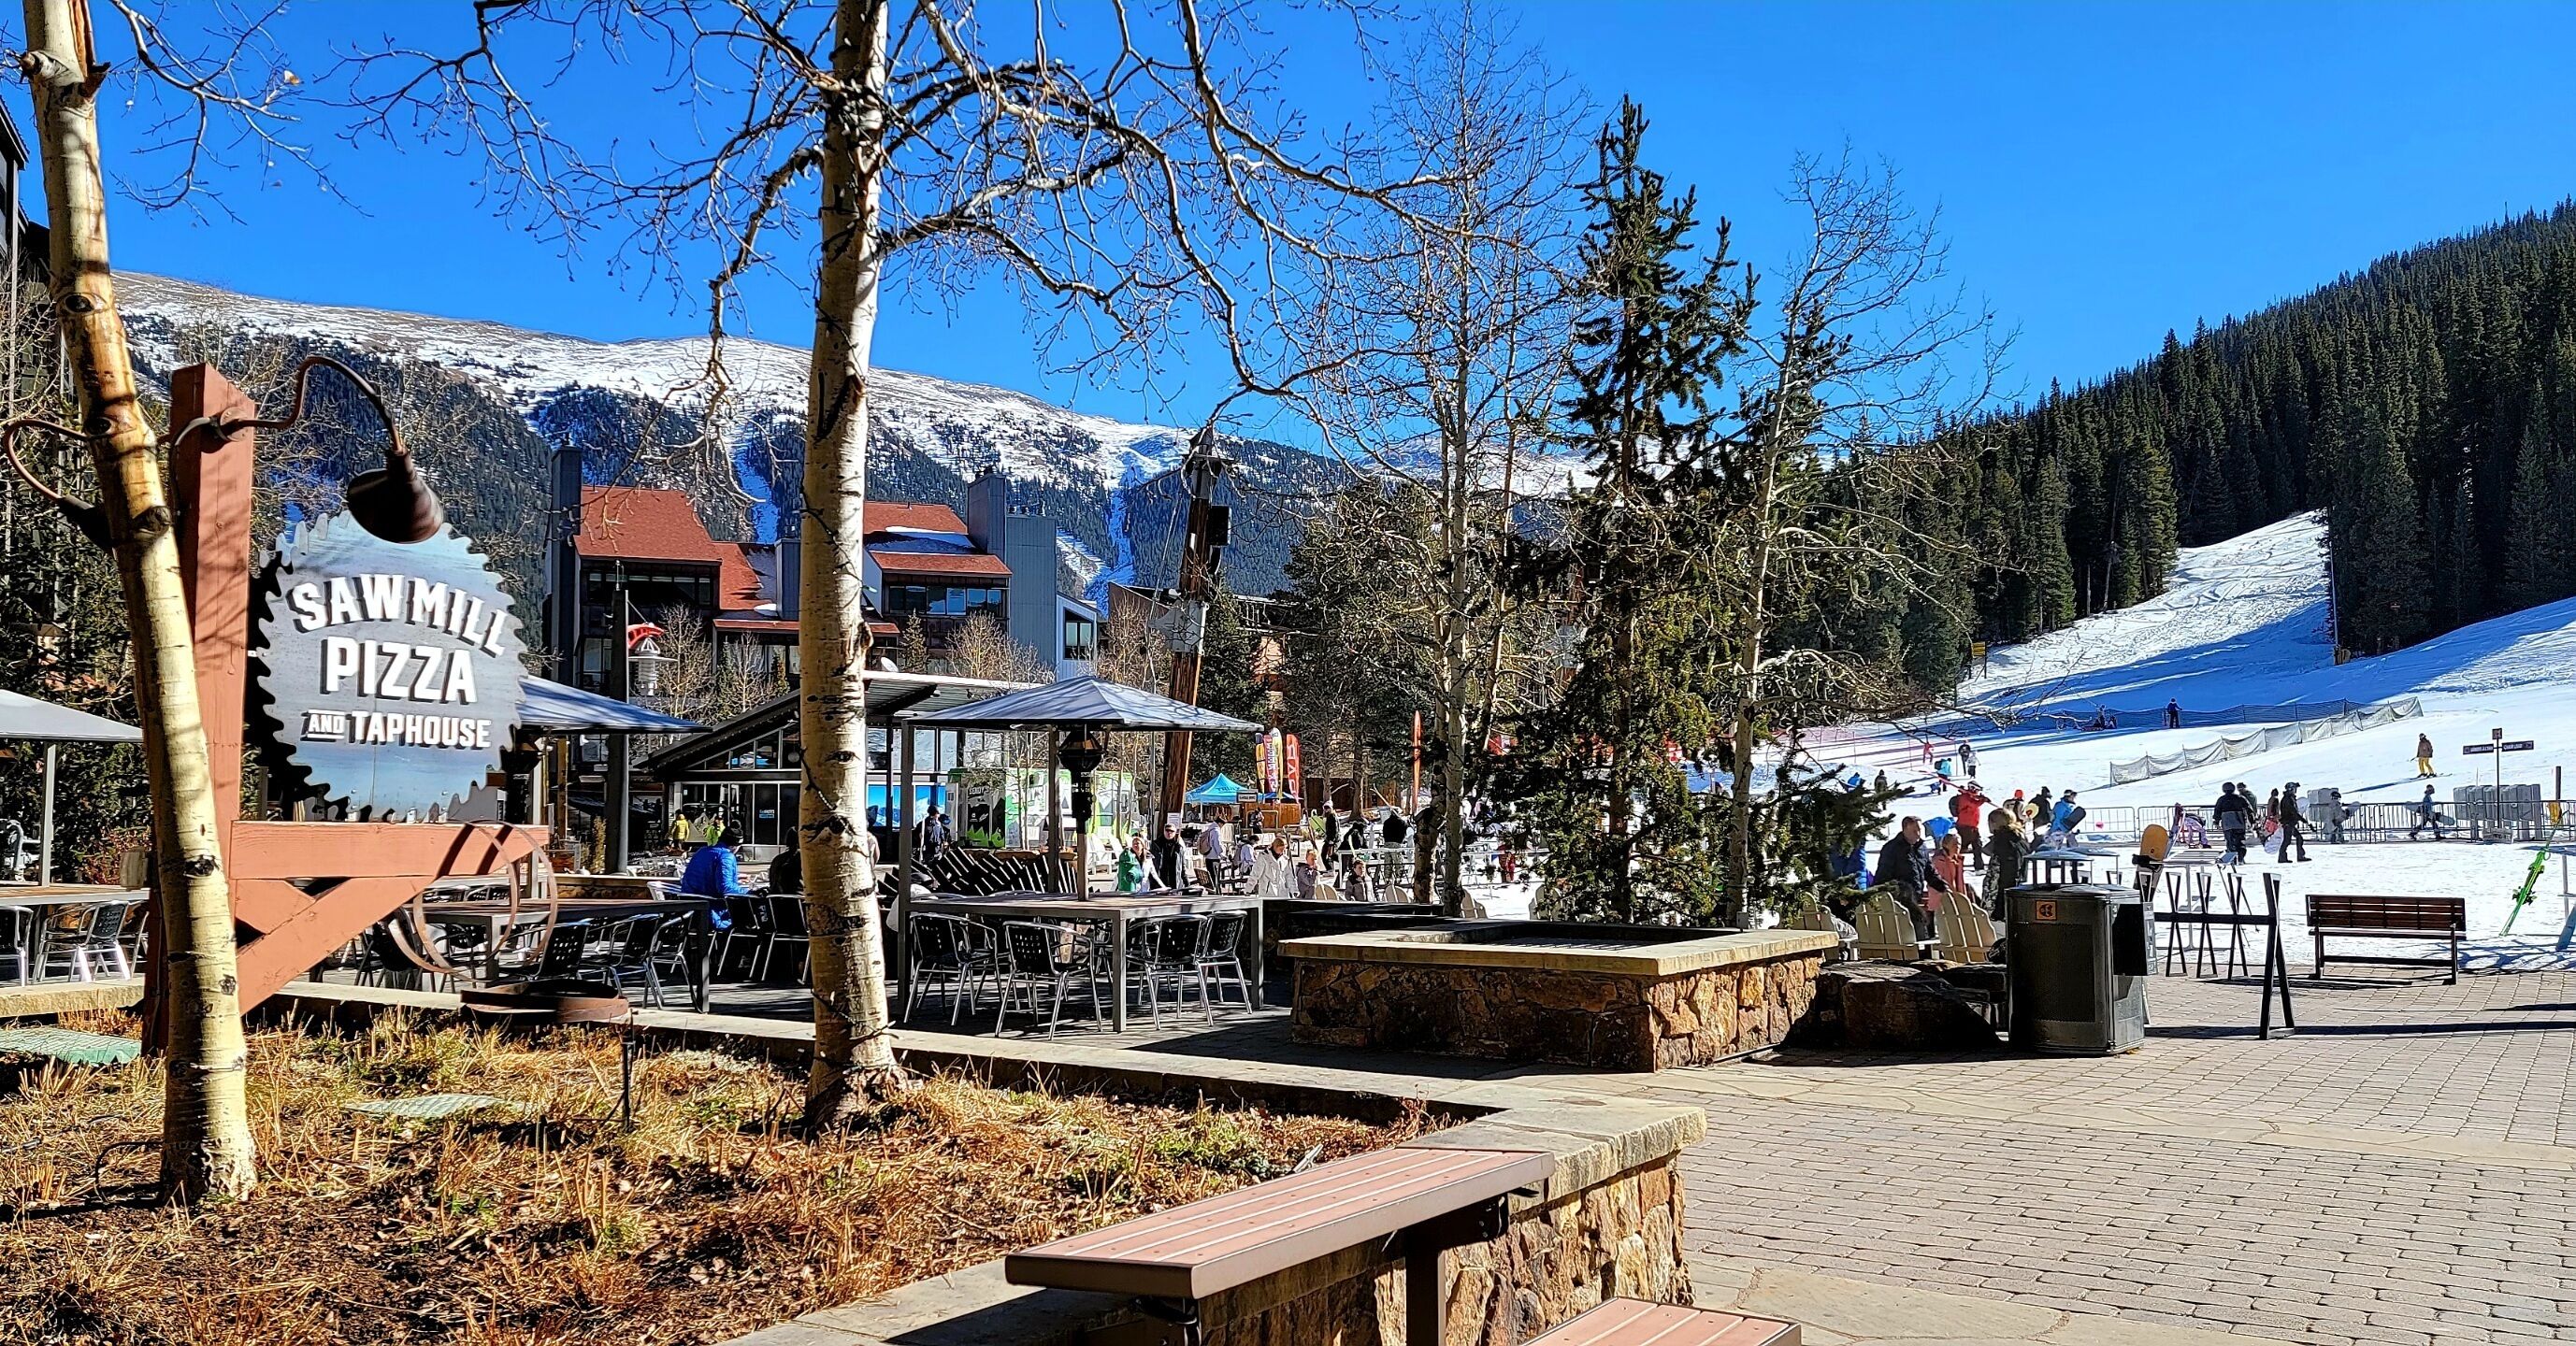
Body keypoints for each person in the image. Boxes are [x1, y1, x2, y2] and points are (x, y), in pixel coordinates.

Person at [1874, 817, 1950, 940]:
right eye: (1915, 831)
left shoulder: (1922, 847)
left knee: (1922, 929)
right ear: (1905, 829)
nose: (1918, 834)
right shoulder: (1892, 849)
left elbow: (1929, 872)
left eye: (1920, 830)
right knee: (1916, 928)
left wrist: (1942, 886)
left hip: (1917, 897)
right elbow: (1883, 876)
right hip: (1899, 900)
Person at [679, 825, 750, 902]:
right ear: (735, 846)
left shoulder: (701, 851)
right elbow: (725, 888)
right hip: (711, 904)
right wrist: (749, 891)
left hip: (691, 901)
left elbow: (704, 877)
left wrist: (734, 878)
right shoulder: (726, 856)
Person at [1983, 804, 2027, 917]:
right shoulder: (2020, 839)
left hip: (2000, 893)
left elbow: (1998, 871)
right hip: (2018, 889)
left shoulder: (2002, 841)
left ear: (1994, 823)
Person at [1950, 782, 1988, 866]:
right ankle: (1953, 864)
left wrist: (1981, 798)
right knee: (1963, 847)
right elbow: (1974, 804)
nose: (1977, 792)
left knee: (1977, 847)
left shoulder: (1969, 796)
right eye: (1977, 790)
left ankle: (1979, 866)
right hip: (1965, 826)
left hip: (1971, 826)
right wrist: (1982, 800)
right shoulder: (1965, 797)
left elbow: (1974, 801)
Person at [2215, 783, 2250, 864]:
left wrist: (2216, 821)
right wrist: (2251, 821)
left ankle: (2233, 859)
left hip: (2227, 824)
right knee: (2240, 841)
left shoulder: (2221, 799)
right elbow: (2248, 809)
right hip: (2240, 823)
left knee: (2230, 842)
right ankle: (2241, 857)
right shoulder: (2240, 798)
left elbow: (2217, 811)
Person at [1150, 823, 1186, 892]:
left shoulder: (1178, 846)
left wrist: (1186, 881)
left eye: (1172, 831)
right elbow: (1151, 863)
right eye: (1167, 830)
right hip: (1160, 878)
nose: (1169, 833)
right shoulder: (1156, 844)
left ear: (1175, 833)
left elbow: (1182, 865)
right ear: (1164, 831)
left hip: (1175, 879)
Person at [1933, 830, 1967, 897]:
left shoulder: (1958, 861)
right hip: (1943, 899)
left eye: (1959, 844)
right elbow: (1936, 885)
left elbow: (1961, 884)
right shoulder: (1939, 861)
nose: (1957, 847)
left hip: (1957, 898)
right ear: (1945, 845)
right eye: (1954, 844)